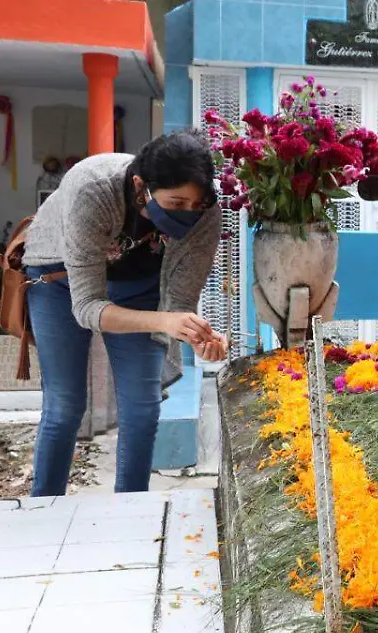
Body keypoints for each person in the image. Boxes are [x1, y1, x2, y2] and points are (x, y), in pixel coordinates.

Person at [22, 130, 227, 496]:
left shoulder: (205, 212)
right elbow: (87, 307)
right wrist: (166, 321)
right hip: (59, 279)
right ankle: (44, 509)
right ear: (140, 185)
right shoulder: (94, 189)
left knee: (143, 408)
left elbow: (177, 302)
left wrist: (197, 336)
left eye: (196, 205)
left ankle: (131, 511)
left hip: (141, 286)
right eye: (176, 203)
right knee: (66, 405)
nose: (188, 216)